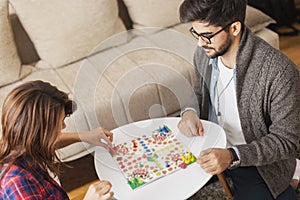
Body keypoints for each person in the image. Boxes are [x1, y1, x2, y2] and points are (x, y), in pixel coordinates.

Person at [177, 0, 300, 199]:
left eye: (207, 35)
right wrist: (190, 111)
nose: (200, 42)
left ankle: (290, 178)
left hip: (256, 161)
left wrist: (232, 156)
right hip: (212, 144)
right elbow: (199, 92)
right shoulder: (204, 52)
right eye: (195, 33)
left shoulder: (279, 72)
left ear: (234, 28)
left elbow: (286, 141)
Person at [0, 80, 114, 199]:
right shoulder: (17, 184)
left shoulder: (17, 143)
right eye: (59, 123)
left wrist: (83, 136)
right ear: (38, 132)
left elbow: (45, 142)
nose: (64, 126)